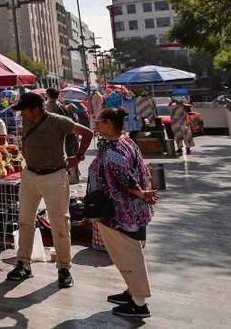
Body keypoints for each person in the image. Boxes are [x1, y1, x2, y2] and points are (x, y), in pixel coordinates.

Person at [7, 92, 93, 288]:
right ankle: (23, 264)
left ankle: (64, 267)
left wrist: (78, 157)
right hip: (30, 175)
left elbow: (87, 133)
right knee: (25, 221)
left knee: (60, 223)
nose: (22, 115)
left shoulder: (58, 121)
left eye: (24, 111)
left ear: (36, 109)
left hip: (54, 176)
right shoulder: (28, 120)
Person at [88, 107, 158, 319]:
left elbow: (125, 179)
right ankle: (131, 293)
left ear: (109, 123)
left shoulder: (113, 150)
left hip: (121, 212)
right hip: (131, 210)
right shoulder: (126, 141)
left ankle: (139, 303)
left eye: (99, 121)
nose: (96, 124)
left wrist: (140, 193)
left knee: (129, 255)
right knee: (128, 254)